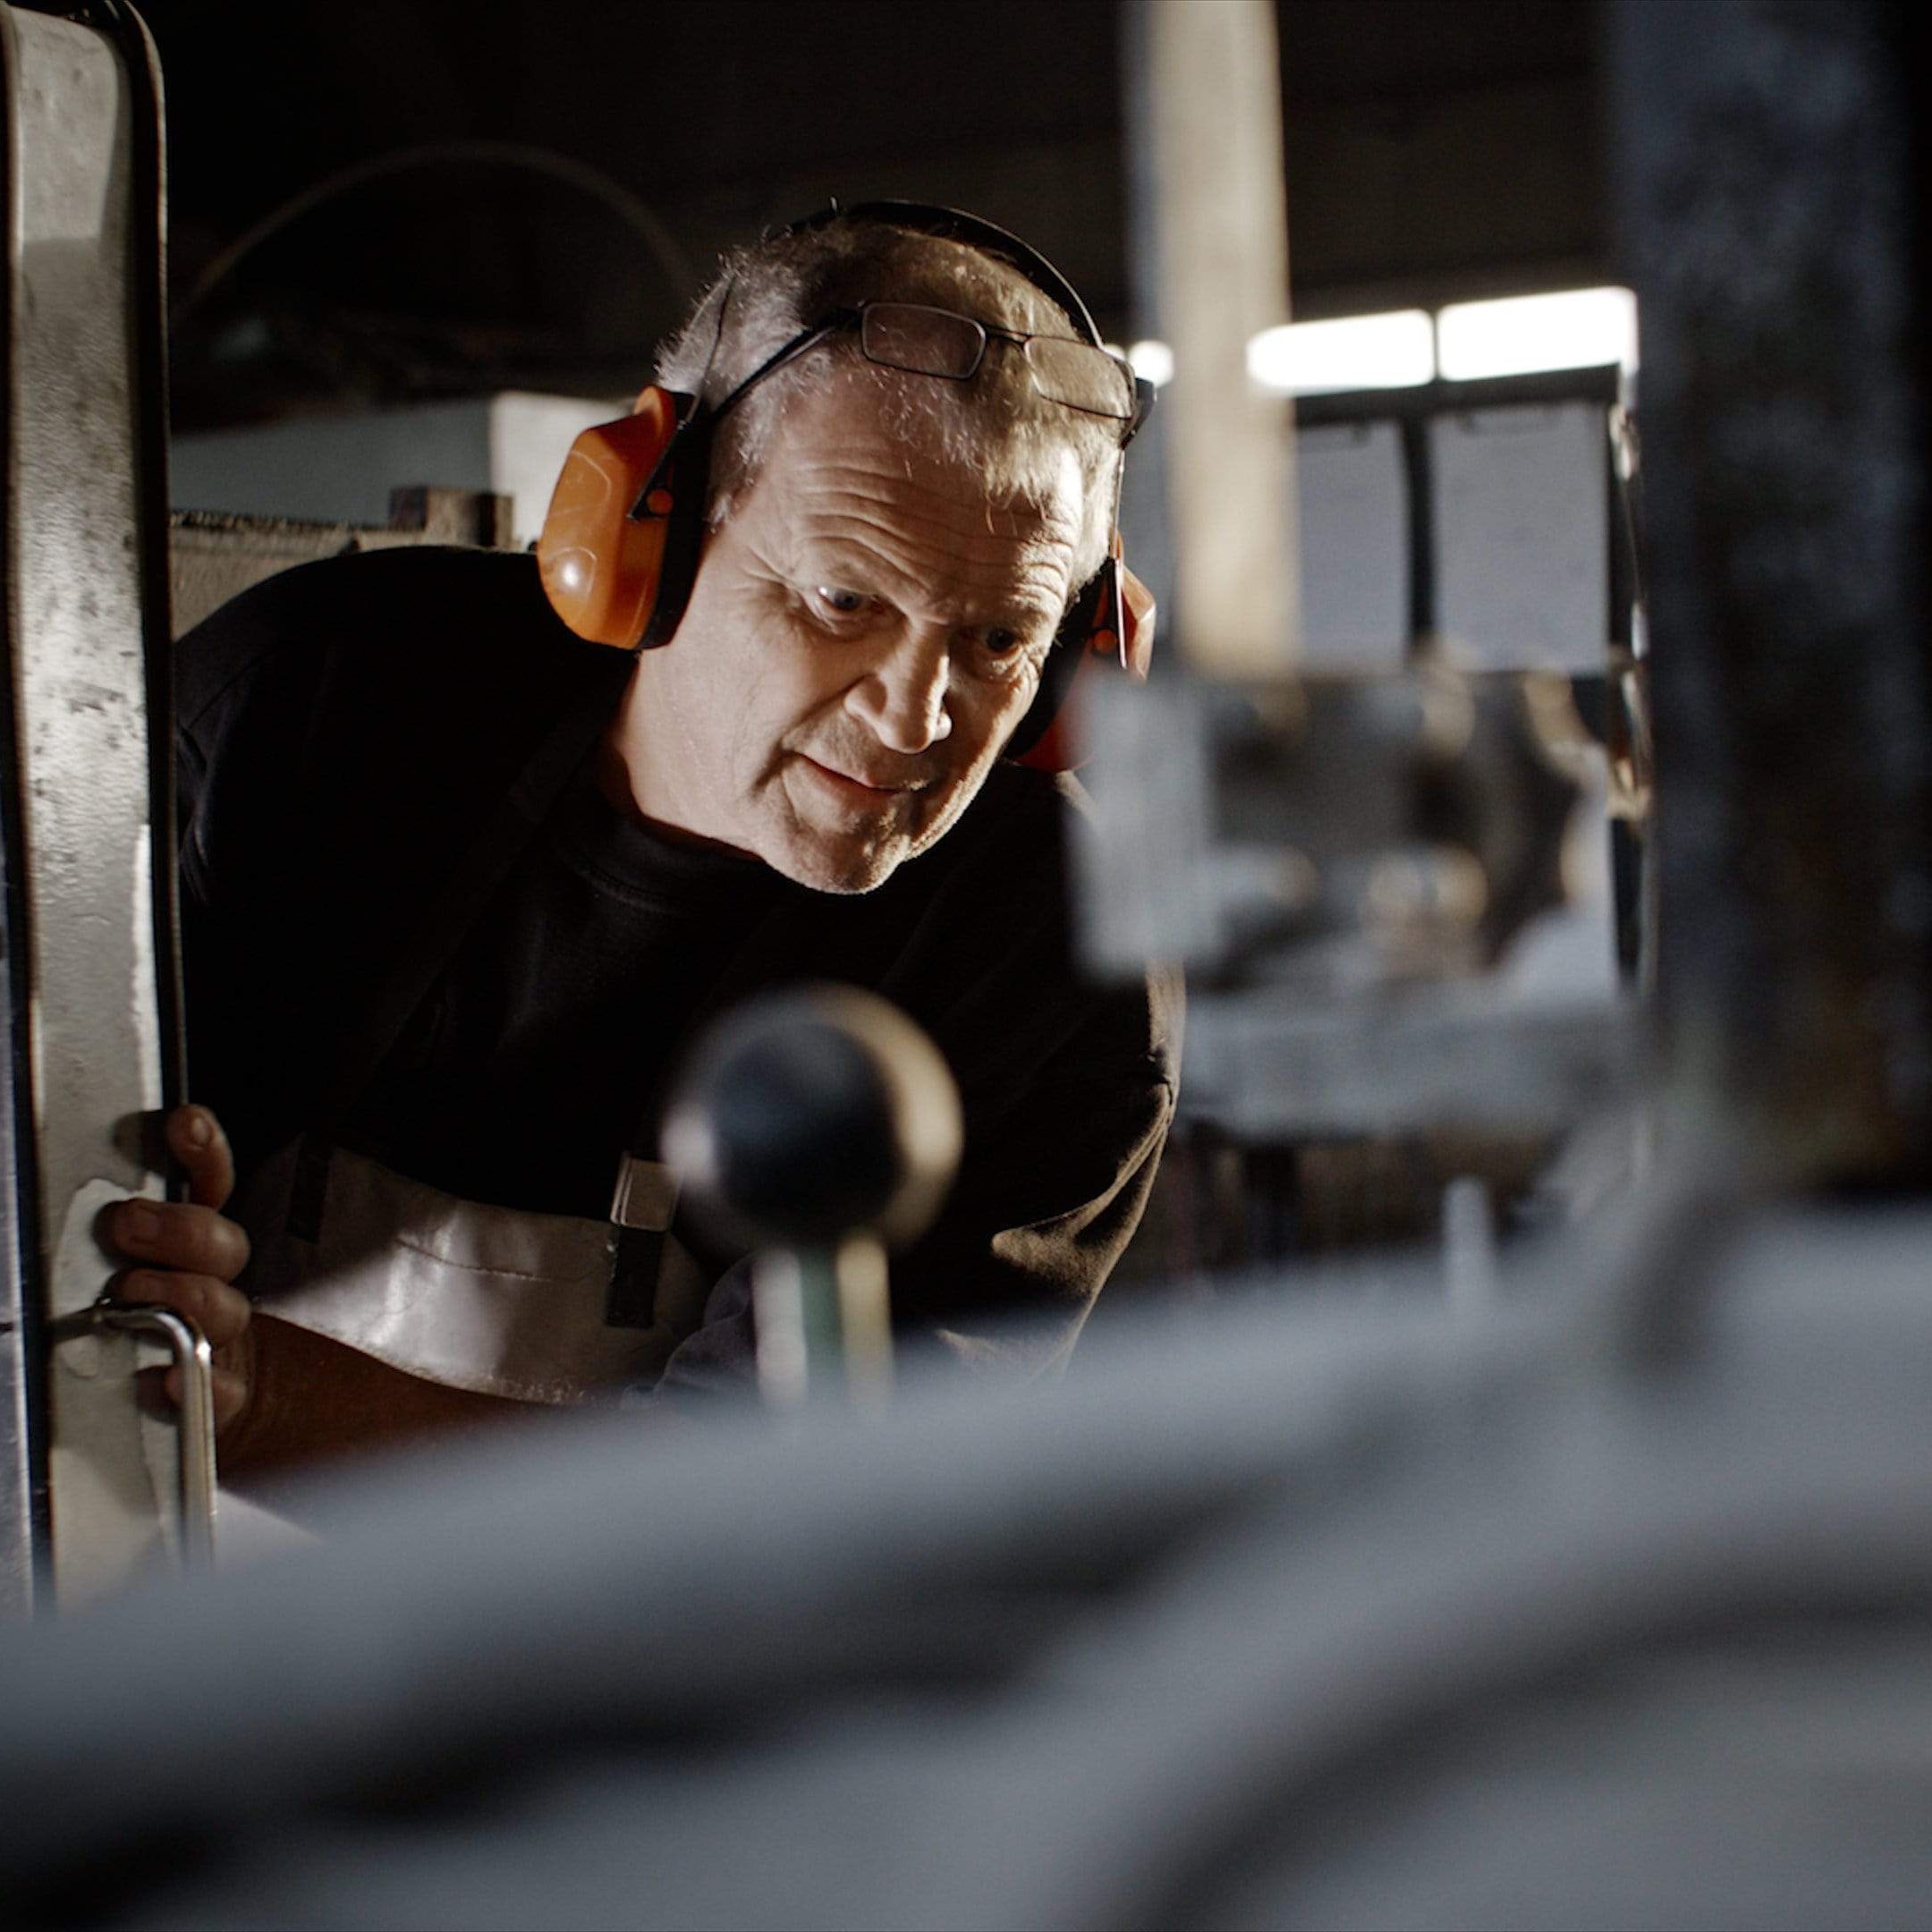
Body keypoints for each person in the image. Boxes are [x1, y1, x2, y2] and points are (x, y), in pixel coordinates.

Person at [111, 206, 1181, 1481]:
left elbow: (782, 1517)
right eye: (844, 601)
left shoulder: (1052, 943)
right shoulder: (312, 715)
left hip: (662, 1660)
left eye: (999, 640)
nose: (918, 716)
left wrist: (259, 1393)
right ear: (643, 534)